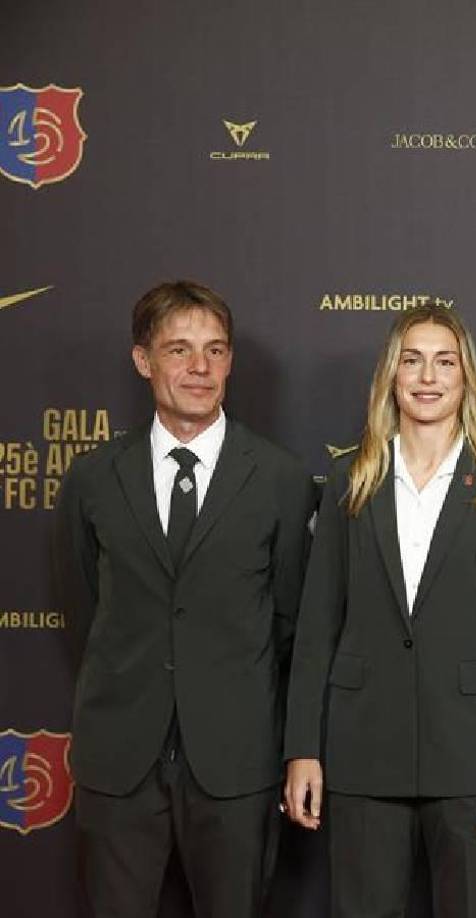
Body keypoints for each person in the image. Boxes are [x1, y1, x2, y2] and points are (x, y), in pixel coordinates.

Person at [55, 280, 316, 918]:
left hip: (236, 763)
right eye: (179, 350)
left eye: (215, 350)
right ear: (143, 360)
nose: (199, 368)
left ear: (230, 362)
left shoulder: (281, 478)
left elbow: (290, 619)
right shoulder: (92, 478)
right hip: (119, 759)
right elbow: (82, 605)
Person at [282, 305, 476, 918]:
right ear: (391, 375)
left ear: (466, 378)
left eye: (444, 361)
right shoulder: (351, 478)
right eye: (412, 359)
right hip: (362, 753)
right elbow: (317, 627)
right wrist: (303, 747)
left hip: (474, 760)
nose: (428, 376)